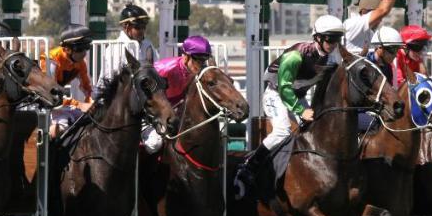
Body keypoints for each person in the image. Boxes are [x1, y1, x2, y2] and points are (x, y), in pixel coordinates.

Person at [237, 14, 345, 204]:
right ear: (317, 37)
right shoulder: (295, 56)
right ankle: (249, 167)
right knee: (282, 131)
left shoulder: (333, 58)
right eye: (329, 39)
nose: (333, 43)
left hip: (299, 96)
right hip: (276, 94)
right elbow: (285, 88)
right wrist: (301, 110)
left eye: (337, 39)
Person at [142, 35, 214, 153]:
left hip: (177, 115)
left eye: (204, 60)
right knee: (154, 144)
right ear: (186, 57)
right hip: (153, 115)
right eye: (199, 60)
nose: (202, 65)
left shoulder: (199, 71)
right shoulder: (164, 68)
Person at [47, 24, 94, 138]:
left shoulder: (80, 62)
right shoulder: (51, 59)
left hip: (59, 104)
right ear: (67, 49)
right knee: (60, 127)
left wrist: (91, 103)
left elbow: (87, 88)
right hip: (44, 105)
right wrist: (80, 105)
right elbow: (50, 96)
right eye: (80, 48)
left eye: (87, 47)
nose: (84, 52)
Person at [109, 3, 158, 72]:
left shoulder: (148, 45)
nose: (142, 30)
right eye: (137, 27)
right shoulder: (114, 48)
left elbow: (157, 68)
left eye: (144, 27)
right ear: (126, 26)